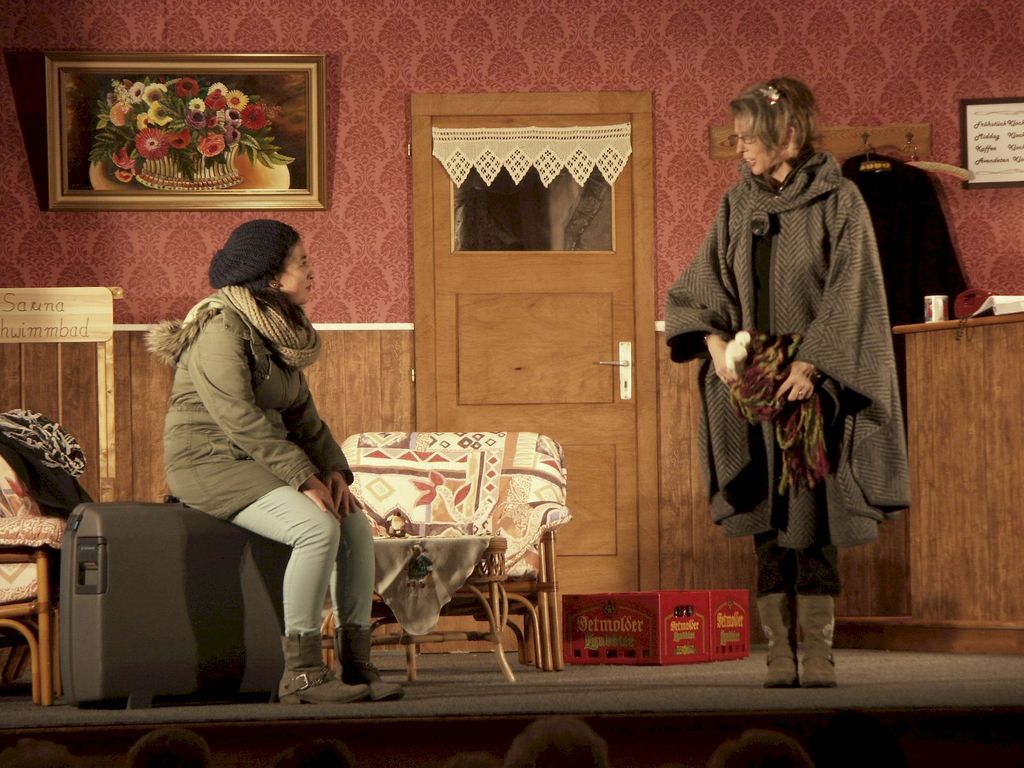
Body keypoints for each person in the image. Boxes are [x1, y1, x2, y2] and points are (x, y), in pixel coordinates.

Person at [664, 77, 909, 688]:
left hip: (814, 383)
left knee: (814, 518)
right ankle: (778, 650)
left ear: (790, 136)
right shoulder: (736, 204)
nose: (740, 147)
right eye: (737, 137)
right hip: (755, 383)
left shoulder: (839, 200)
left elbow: (853, 290)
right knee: (768, 518)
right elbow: (701, 287)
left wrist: (812, 364)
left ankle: (818, 651)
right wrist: (715, 345)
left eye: (749, 137)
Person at [147, 219, 402, 703]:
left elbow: (303, 415)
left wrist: (332, 470)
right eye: (302, 263)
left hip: (257, 459)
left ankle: (356, 665)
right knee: (316, 529)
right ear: (270, 277)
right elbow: (237, 417)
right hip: (210, 463)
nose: (312, 272)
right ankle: (302, 675)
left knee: (353, 525)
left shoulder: (275, 326)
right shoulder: (220, 325)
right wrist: (302, 477)